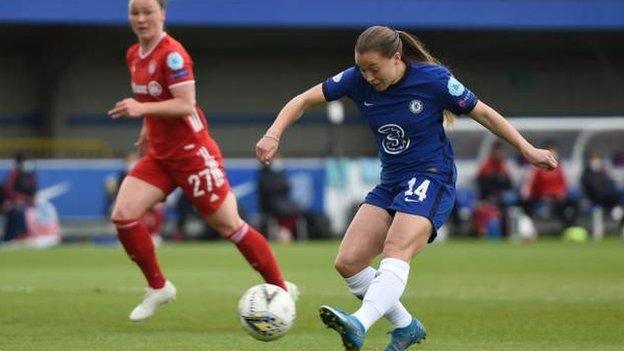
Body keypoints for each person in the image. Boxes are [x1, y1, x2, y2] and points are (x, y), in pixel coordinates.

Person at [256, 25, 557, 350]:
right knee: (348, 262)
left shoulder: (434, 80)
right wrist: (274, 133)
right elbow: (303, 100)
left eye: (374, 68)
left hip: (432, 177)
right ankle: (406, 326)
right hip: (391, 182)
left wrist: (527, 149)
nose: (368, 76)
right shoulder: (356, 80)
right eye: (362, 68)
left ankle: (360, 322)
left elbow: (483, 112)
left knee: (396, 248)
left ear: (396, 58)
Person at [107, 0, 296, 322]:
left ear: (162, 14)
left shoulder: (173, 54)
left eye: (147, 12)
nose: (140, 19)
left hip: (192, 154)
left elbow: (185, 104)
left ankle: (280, 290)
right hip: (160, 155)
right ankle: (159, 287)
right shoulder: (133, 55)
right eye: (134, 13)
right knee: (123, 215)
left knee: (230, 226)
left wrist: (142, 111)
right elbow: (151, 98)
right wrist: (145, 129)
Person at [521, 141, 578, 233]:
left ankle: (569, 228)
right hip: (541, 198)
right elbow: (530, 186)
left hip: (557, 198)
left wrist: (561, 193)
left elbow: (564, 183)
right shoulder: (536, 168)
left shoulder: (559, 167)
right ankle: (529, 229)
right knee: (526, 204)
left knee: (573, 202)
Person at [2, 151, 37, 243]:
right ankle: (14, 237)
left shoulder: (31, 175)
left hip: (27, 204)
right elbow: (8, 189)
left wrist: (31, 199)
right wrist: (16, 199)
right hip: (11, 204)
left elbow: (34, 190)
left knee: (27, 210)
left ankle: (27, 236)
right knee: (17, 211)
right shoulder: (14, 174)